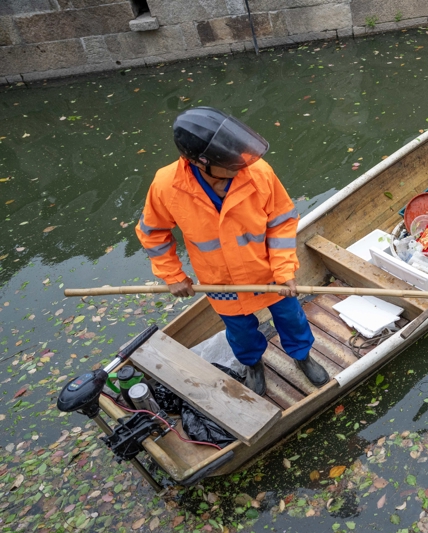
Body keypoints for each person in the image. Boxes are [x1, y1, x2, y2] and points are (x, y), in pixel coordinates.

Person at [135, 106, 329, 395]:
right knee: (240, 331)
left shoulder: (258, 172)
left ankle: (302, 356)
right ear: (201, 162)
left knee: (291, 317)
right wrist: (173, 275)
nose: (241, 166)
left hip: (268, 272)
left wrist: (284, 268)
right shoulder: (167, 185)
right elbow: (153, 233)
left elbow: (282, 221)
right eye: (230, 163)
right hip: (219, 280)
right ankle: (253, 364)